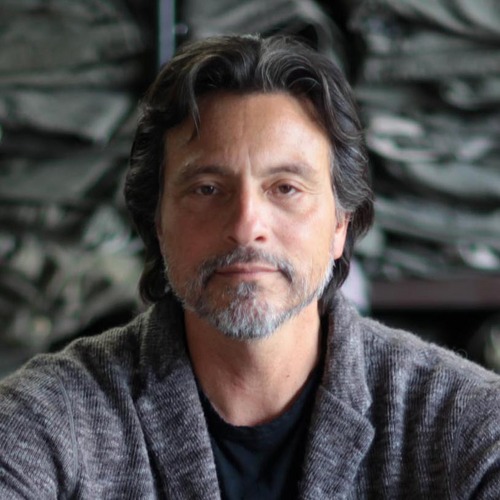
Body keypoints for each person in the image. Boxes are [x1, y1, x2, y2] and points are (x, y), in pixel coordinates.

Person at [0, 34, 499, 500]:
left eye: (285, 188)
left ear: (340, 224)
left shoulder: (468, 423)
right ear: (157, 222)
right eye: (207, 189)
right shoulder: (49, 418)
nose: (245, 226)